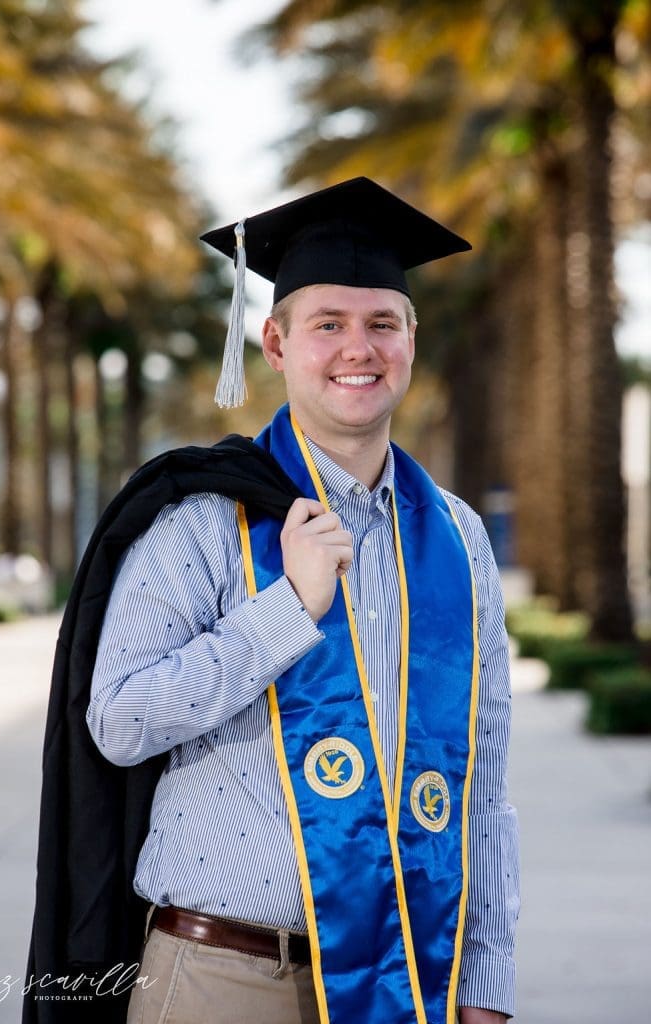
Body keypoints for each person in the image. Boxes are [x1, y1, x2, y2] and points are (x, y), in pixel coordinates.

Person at [87, 177, 519, 1024]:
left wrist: (484, 983)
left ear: (409, 341)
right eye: (327, 325)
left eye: (380, 324)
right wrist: (285, 608)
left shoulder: (458, 540)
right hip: (226, 978)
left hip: (408, 979)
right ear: (276, 344)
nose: (357, 348)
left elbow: (485, 784)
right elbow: (120, 719)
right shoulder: (203, 516)